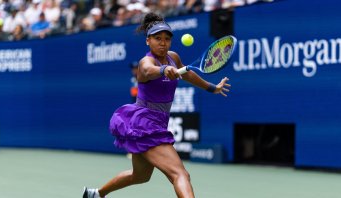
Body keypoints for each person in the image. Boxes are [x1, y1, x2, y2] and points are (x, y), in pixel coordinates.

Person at [83, 12, 231, 198]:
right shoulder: (147, 62)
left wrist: (212, 88)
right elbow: (147, 70)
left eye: (167, 39)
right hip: (145, 123)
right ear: (148, 41)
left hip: (154, 123)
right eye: (157, 38)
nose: (163, 42)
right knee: (180, 174)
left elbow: (187, 74)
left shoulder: (174, 58)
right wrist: (163, 70)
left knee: (140, 176)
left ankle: (96, 194)